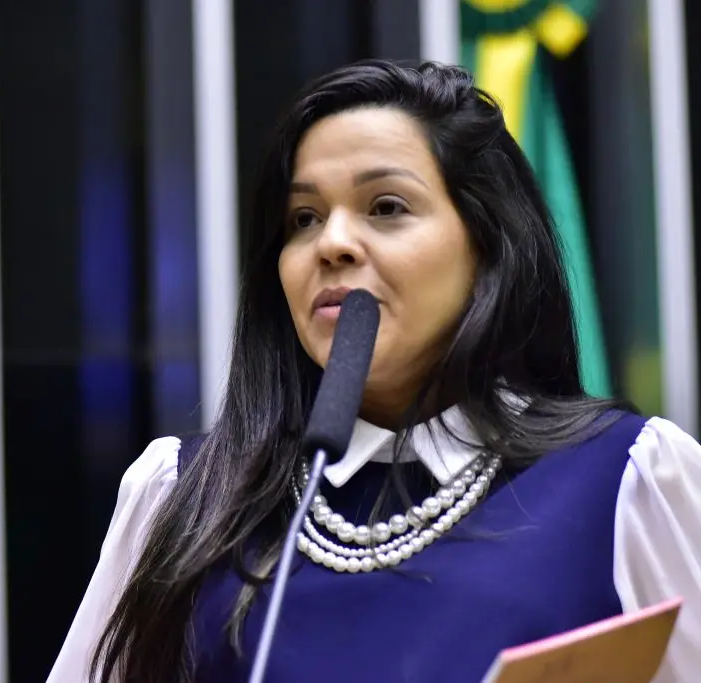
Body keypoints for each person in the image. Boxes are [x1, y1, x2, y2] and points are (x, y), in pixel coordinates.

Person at [46, 60, 701, 683]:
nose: (332, 243)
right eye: (303, 218)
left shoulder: (626, 479)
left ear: (487, 247)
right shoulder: (183, 495)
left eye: (386, 206)